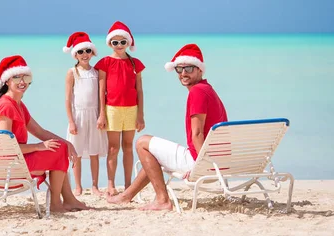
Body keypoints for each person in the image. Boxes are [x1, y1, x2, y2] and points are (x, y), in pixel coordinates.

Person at [106, 43, 228, 211]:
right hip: (218, 162)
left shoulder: (197, 92)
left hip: (203, 164)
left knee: (142, 142)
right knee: (154, 152)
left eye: (189, 68)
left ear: (200, 70)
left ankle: (162, 200)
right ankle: (126, 196)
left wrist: (202, 167)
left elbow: (197, 134)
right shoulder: (208, 90)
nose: (183, 73)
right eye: (179, 69)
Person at [0, 55, 90, 212]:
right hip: (8, 167)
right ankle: (58, 203)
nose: (22, 82)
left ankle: (68, 200)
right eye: (16, 77)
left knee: (60, 147)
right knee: (58, 150)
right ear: (7, 81)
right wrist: (38, 147)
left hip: (17, 161)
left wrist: (67, 143)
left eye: (25, 77)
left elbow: (40, 131)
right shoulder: (6, 106)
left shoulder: (18, 105)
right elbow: (6, 146)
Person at [94, 21, 146, 196]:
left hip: (131, 109)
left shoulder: (135, 63)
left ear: (128, 43)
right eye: (115, 42)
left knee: (128, 146)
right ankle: (110, 184)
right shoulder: (105, 62)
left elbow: (139, 90)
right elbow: (101, 91)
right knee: (113, 148)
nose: (119, 46)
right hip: (112, 109)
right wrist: (102, 114)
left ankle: (128, 183)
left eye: (122, 42)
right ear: (110, 43)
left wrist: (141, 115)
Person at [62, 32, 108, 196]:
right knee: (77, 152)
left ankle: (95, 186)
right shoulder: (72, 72)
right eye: (81, 52)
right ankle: (78, 186)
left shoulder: (97, 72)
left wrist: (102, 115)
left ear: (92, 52)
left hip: (94, 115)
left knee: (94, 151)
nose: (84, 55)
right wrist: (71, 121)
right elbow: (68, 99)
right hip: (78, 116)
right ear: (75, 54)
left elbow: (101, 96)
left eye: (87, 51)